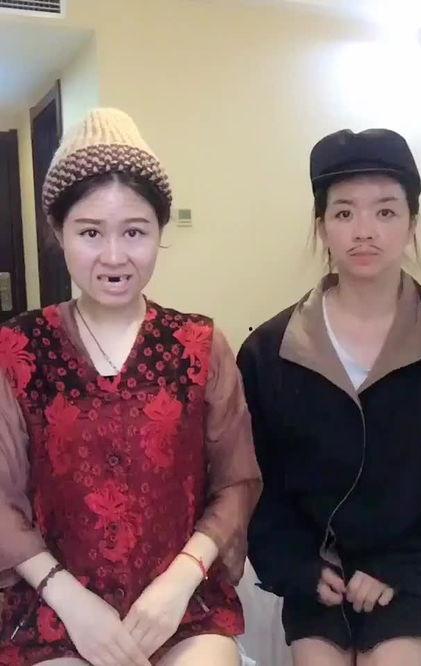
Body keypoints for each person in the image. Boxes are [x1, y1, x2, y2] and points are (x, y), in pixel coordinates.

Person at [0, 108, 262, 666]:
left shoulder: (199, 344)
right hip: (53, 605)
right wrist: (72, 602)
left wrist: (180, 581)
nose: (114, 257)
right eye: (90, 232)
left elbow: (236, 481)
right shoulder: (17, 348)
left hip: (181, 603)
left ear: (160, 232)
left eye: (135, 232)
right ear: (58, 233)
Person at [237, 128, 421, 666]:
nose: (364, 231)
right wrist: (300, 567)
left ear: (412, 222)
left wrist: (403, 566)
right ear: (322, 226)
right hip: (319, 574)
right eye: (344, 212)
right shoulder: (269, 351)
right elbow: (258, 483)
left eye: (385, 211)